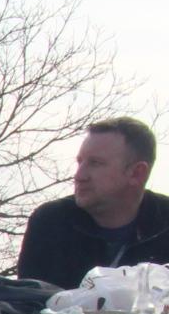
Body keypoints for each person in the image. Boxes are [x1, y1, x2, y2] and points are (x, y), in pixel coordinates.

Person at [18, 118, 169, 289]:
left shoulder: (165, 222)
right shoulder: (51, 222)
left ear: (136, 173)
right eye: (80, 162)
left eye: (95, 163)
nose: (79, 176)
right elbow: (28, 305)